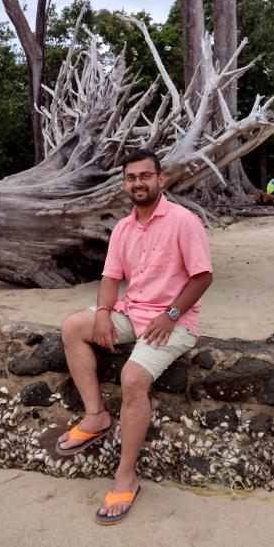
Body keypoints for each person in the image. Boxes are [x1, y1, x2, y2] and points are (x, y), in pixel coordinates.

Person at [57, 148, 213, 525]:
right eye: (131, 178)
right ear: (124, 184)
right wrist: (104, 313)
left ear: (161, 179)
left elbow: (203, 276)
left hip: (174, 320)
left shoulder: (184, 221)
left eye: (145, 176)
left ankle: (126, 476)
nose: (137, 183)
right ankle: (96, 416)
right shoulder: (123, 228)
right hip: (133, 311)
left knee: (132, 378)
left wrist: (171, 315)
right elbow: (111, 278)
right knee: (72, 327)